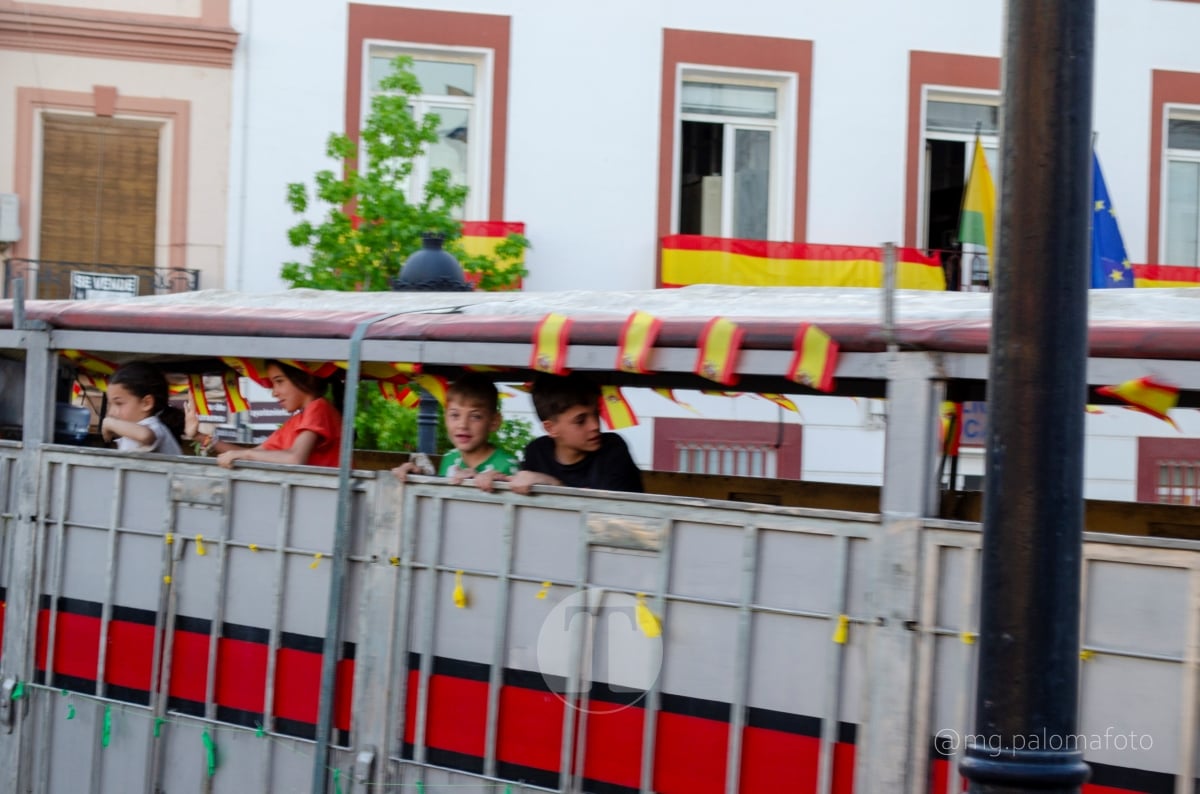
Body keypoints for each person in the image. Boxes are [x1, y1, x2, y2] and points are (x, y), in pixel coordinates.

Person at [476, 372, 643, 495]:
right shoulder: (537, 451)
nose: (594, 426)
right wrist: (492, 481)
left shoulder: (612, 449)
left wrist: (552, 484)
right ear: (550, 428)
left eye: (596, 413)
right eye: (580, 420)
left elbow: (611, 515)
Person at [185, 360, 342, 469]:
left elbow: (294, 459)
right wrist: (200, 436)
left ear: (306, 378)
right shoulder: (299, 419)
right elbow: (260, 452)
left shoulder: (318, 407)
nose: (274, 392)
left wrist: (246, 454)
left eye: (279, 381)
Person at [392, 372, 520, 482]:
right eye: (455, 415)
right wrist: (416, 478)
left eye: (475, 416)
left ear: (494, 422)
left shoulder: (507, 466)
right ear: (445, 417)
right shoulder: (449, 459)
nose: (463, 425)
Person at [101, 361, 185, 455]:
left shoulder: (152, 425)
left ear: (146, 403)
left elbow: (145, 435)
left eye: (119, 403)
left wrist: (110, 423)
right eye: (110, 404)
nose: (111, 412)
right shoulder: (135, 431)